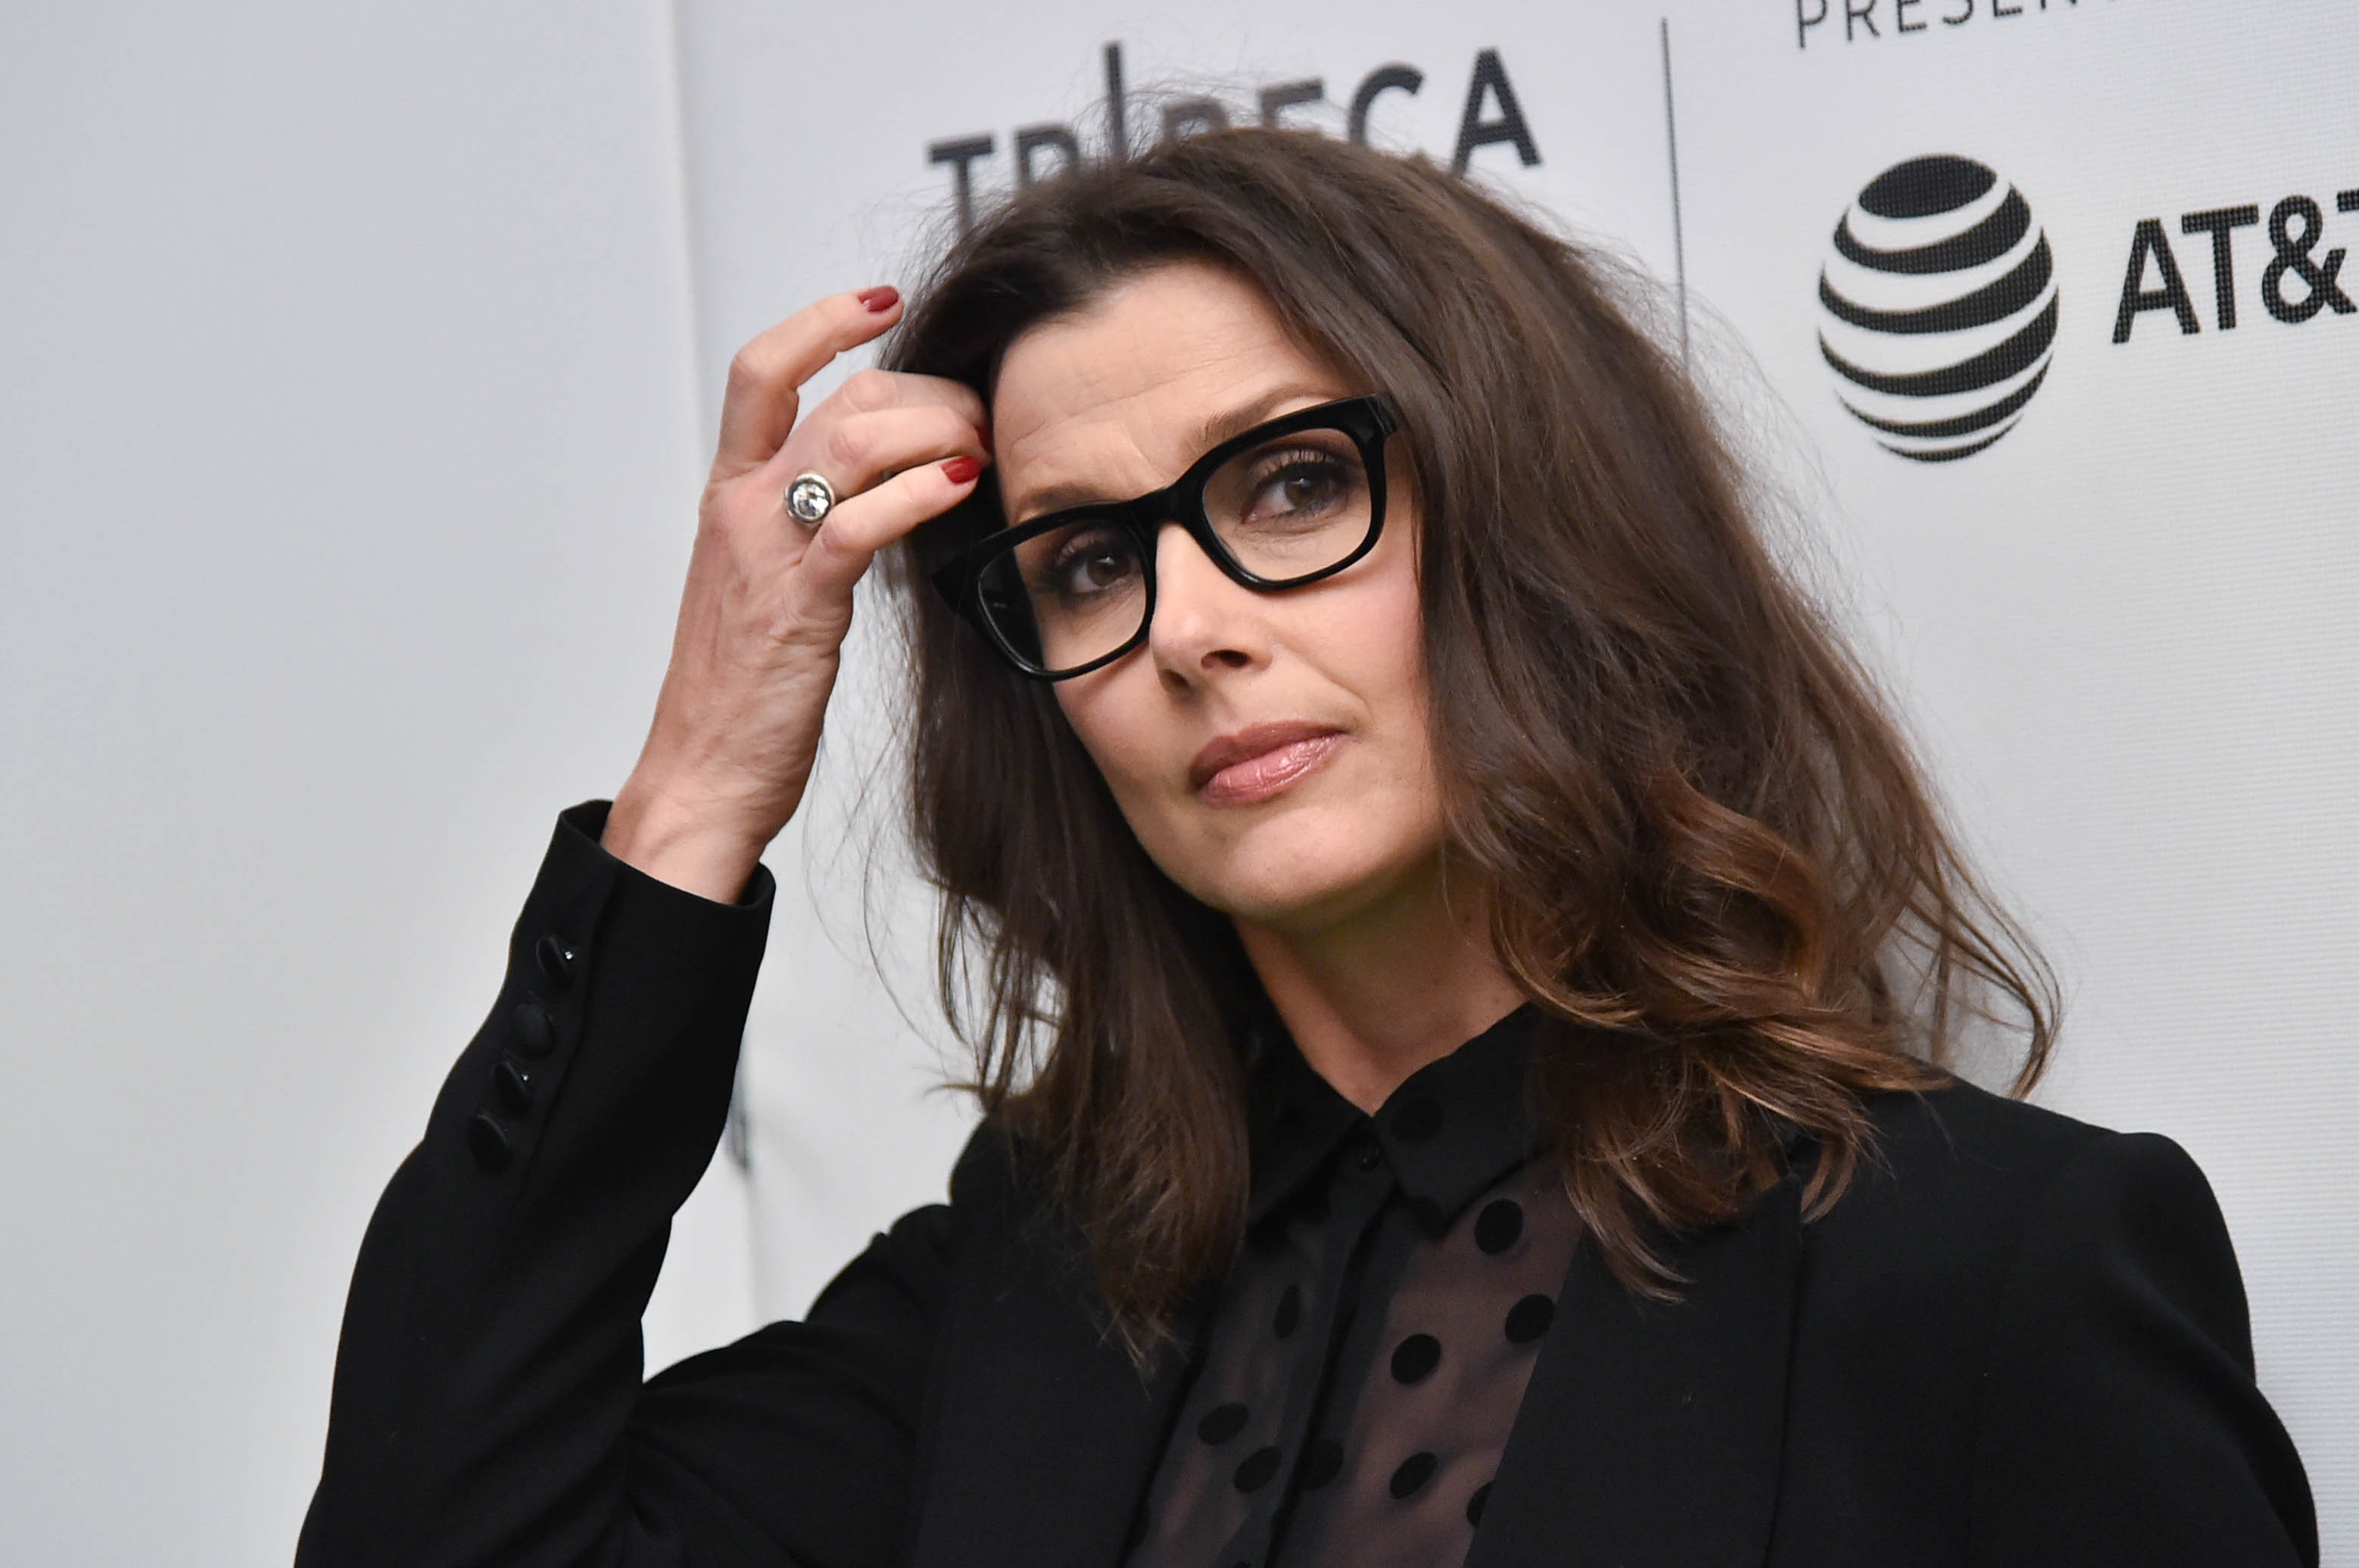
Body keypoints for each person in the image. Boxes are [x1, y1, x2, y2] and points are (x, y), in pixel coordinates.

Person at [296, 128, 2316, 1568]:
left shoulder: (1988, 1273)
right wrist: (694, 793)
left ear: (1523, 518)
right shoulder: (1030, 1293)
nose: (1186, 625)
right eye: (1087, 561)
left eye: (1284, 486)